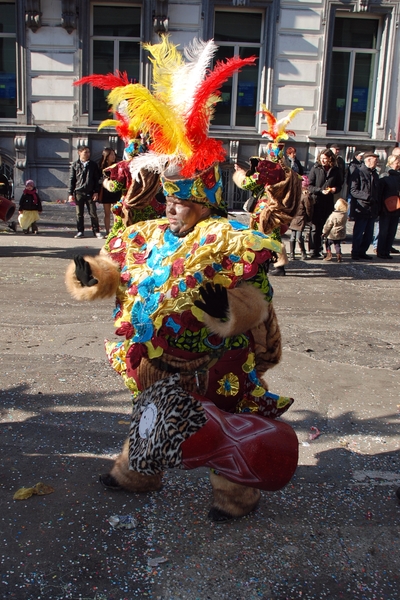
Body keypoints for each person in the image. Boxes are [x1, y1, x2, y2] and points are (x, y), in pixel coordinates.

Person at [65, 36, 299, 523]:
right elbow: (116, 273)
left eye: (184, 202)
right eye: (170, 199)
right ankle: (139, 473)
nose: (172, 208)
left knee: (227, 423)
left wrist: (226, 313)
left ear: (204, 202)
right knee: (154, 411)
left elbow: (253, 297)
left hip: (212, 356)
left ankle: (236, 495)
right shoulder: (146, 234)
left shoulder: (226, 237)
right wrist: (92, 275)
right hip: (155, 356)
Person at [308, 149, 342, 258]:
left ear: (330, 159)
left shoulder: (336, 170)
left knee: (325, 227)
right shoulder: (315, 168)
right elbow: (310, 186)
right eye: (322, 159)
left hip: (328, 202)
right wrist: (319, 190)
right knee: (314, 227)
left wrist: (334, 189)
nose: (323, 161)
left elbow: (339, 185)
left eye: (325, 159)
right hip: (316, 201)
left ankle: (323, 249)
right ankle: (313, 249)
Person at [349, 152, 380, 260]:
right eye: (375, 160)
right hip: (361, 207)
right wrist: (367, 197)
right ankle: (355, 252)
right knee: (359, 231)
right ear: (368, 160)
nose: (377, 163)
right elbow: (353, 190)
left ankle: (363, 251)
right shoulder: (358, 172)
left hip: (372, 208)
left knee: (369, 233)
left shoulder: (375, 174)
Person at [68, 146, 102, 239]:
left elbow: (96, 179)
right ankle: (80, 231)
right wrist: (70, 193)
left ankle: (96, 231)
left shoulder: (93, 165)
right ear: (79, 153)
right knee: (79, 213)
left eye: (88, 152)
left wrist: (96, 192)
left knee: (93, 212)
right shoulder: (75, 165)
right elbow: (72, 180)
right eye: (85, 152)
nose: (87, 154)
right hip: (79, 191)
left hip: (90, 192)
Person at [376, 154, 400, 259]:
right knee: (384, 231)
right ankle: (381, 251)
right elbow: (380, 193)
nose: (398, 164)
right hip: (386, 207)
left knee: (392, 231)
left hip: (397, 207)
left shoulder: (399, 176)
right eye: (397, 162)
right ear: (390, 163)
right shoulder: (384, 176)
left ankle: (387, 250)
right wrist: (380, 207)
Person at [288, 175, 314, 260]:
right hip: (300, 218)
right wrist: (309, 218)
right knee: (298, 237)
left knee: (293, 236)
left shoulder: (295, 194)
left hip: (294, 218)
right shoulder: (306, 196)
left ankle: (292, 253)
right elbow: (309, 209)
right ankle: (303, 252)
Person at [98, 147, 121, 236]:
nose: (113, 156)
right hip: (105, 191)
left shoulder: (117, 166)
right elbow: (98, 179)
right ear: (106, 156)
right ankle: (107, 232)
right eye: (111, 154)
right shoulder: (101, 167)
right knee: (107, 213)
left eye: (114, 154)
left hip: (115, 191)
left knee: (116, 212)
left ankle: (115, 231)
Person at [322, 198, 348, 262]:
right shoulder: (345, 214)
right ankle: (339, 255)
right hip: (341, 232)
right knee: (337, 244)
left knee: (327, 243)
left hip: (333, 233)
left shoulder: (333, 215)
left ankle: (329, 254)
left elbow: (328, 224)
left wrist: (324, 232)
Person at [346, 150, 364, 220]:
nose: (361, 157)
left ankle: (353, 214)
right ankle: (349, 214)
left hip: (360, 185)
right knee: (350, 200)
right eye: (360, 156)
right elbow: (352, 174)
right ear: (356, 156)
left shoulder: (362, 163)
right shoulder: (353, 164)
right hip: (353, 184)